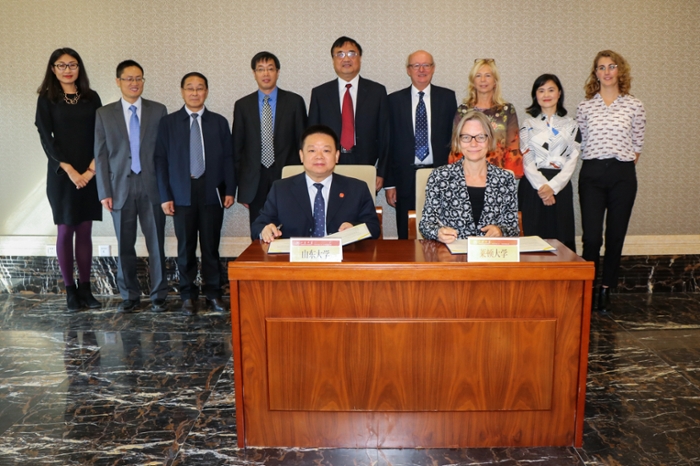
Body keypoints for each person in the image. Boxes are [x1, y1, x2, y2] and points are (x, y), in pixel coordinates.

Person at [154, 72, 236, 315]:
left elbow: (229, 159)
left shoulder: (219, 122)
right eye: (190, 88)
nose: (195, 92)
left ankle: (213, 294)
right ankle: (187, 296)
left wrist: (230, 190)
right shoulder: (168, 123)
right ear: (182, 92)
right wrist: (165, 195)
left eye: (200, 88)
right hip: (181, 192)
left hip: (212, 191)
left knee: (211, 247)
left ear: (206, 91)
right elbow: (160, 161)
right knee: (186, 248)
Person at [94, 60, 168, 313]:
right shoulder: (104, 114)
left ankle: (159, 295)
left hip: (152, 187)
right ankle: (129, 296)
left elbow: (164, 153)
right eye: (129, 79)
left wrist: (166, 190)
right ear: (118, 82)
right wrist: (104, 191)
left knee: (157, 243)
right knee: (125, 244)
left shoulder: (158, 110)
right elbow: (101, 155)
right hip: (119, 189)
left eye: (139, 78)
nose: (134, 83)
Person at [577, 50, 646, 313]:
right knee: (592, 238)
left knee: (615, 235)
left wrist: (619, 166)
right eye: (601, 67)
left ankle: (606, 288)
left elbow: (637, 145)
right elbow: (581, 141)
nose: (607, 72)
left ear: (620, 71)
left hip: (622, 175)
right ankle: (589, 288)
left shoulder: (634, 105)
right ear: (595, 73)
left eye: (612, 66)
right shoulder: (585, 107)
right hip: (592, 175)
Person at [35, 47, 102, 311]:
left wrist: (91, 170)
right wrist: (71, 171)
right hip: (62, 175)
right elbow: (45, 137)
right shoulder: (47, 99)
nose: (67, 69)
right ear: (53, 69)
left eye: (72, 64)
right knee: (65, 230)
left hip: (90, 172)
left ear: (79, 68)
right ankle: (70, 291)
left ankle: (86, 290)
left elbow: (102, 134)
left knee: (85, 230)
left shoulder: (91, 97)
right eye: (61, 65)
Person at [251, 125, 381, 242]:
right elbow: (259, 226)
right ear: (301, 156)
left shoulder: (357, 189)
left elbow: (374, 228)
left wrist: (354, 229)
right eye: (312, 151)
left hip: (342, 260)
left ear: (336, 156)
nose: (319, 156)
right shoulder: (280, 189)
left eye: (326, 151)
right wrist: (265, 230)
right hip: (296, 262)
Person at [386, 50, 457, 239]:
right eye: (416, 65)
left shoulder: (448, 98)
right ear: (408, 70)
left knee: (442, 228)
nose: (421, 69)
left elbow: (455, 140)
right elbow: (388, 143)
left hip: (440, 173)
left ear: (433, 68)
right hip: (404, 176)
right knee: (406, 230)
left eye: (426, 65)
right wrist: (389, 183)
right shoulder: (393, 100)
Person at [233, 51, 307, 228]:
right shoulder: (243, 105)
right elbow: (237, 149)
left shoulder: (294, 102)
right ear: (254, 73)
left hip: (287, 176)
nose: (266, 74)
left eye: (270, 69)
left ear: (278, 72)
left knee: (290, 227)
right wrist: (242, 188)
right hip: (255, 180)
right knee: (259, 229)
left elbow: (303, 144)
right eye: (260, 69)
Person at [420, 111, 519, 242]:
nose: (473, 144)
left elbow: (513, 228)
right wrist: (438, 232)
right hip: (451, 256)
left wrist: (500, 231)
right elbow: (426, 224)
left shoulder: (505, 179)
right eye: (466, 137)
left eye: (480, 137)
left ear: (489, 141)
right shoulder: (440, 177)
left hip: (490, 255)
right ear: (458, 141)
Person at [308, 36, 389, 192]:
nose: (346, 58)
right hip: (330, 162)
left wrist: (382, 172)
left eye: (352, 54)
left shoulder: (377, 92)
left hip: (366, 163)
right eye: (340, 54)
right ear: (333, 60)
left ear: (360, 58)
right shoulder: (320, 93)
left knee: (362, 211)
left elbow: (386, 135)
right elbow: (312, 135)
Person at [519, 74, 580, 252]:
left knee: (561, 239)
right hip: (532, 186)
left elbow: (572, 158)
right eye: (541, 90)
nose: (546, 94)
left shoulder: (571, 124)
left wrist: (553, 187)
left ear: (559, 93)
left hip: (560, 187)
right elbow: (526, 157)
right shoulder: (528, 123)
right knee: (531, 239)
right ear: (535, 95)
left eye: (551, 89)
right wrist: (543, 188)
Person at [453, 59, 522, 178]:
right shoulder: (463, 111)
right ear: (473, 81)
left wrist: (508, 177)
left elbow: (513, 146)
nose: (483, 80)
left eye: (488, 75)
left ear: (495, 81)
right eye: (478, 76)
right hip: (468, 175)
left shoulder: (506, 110)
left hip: (499, 175)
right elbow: (457, 147)